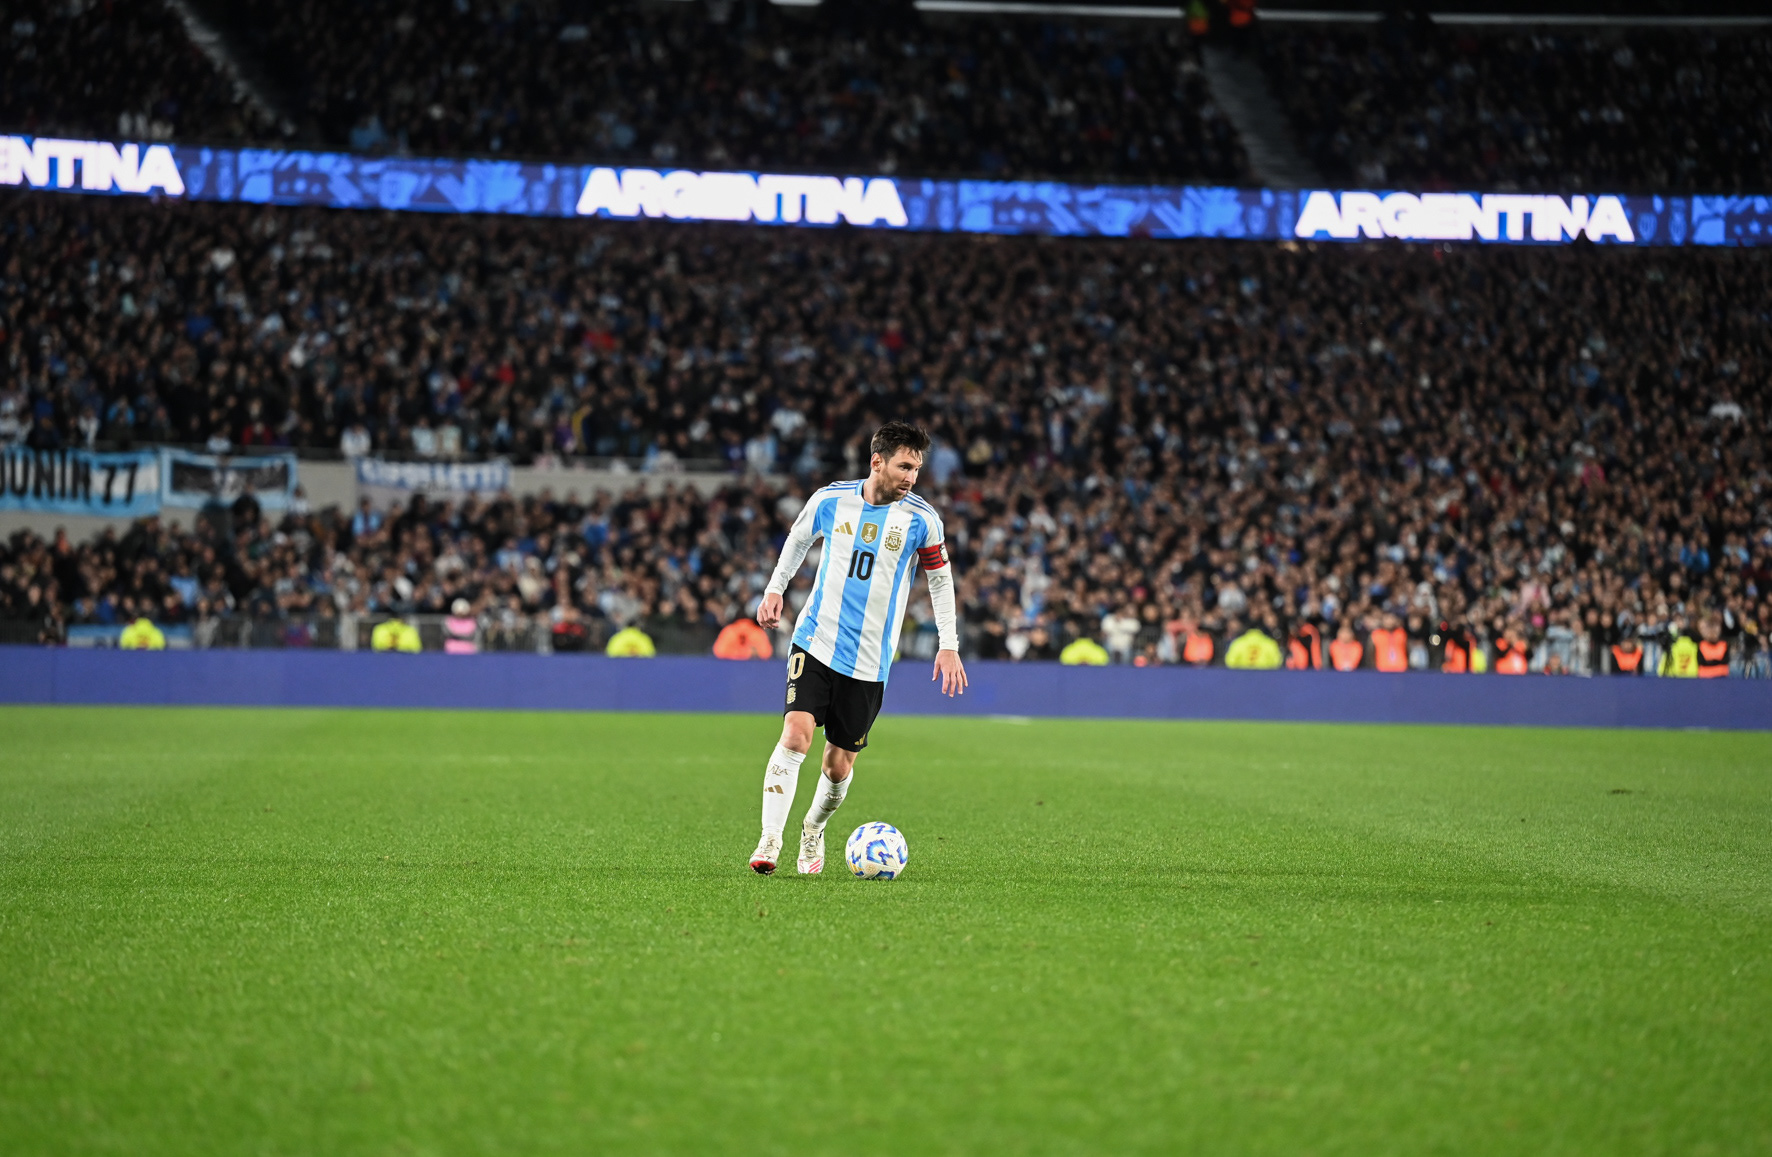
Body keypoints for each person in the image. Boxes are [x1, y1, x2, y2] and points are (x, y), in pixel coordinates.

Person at [749, 421, 967, 876]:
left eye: (916, 469)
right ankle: (770, 837)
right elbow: (797, 539)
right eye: (904, 466)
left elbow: (940, 580)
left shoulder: (922, 520)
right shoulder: (830, 500)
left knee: (837, 765)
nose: (911, 477)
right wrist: (774, 589)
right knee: (795, 735)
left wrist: (948, 644)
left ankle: (813, 828)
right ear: (877, 462)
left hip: (870, 660)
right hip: (816, 639)